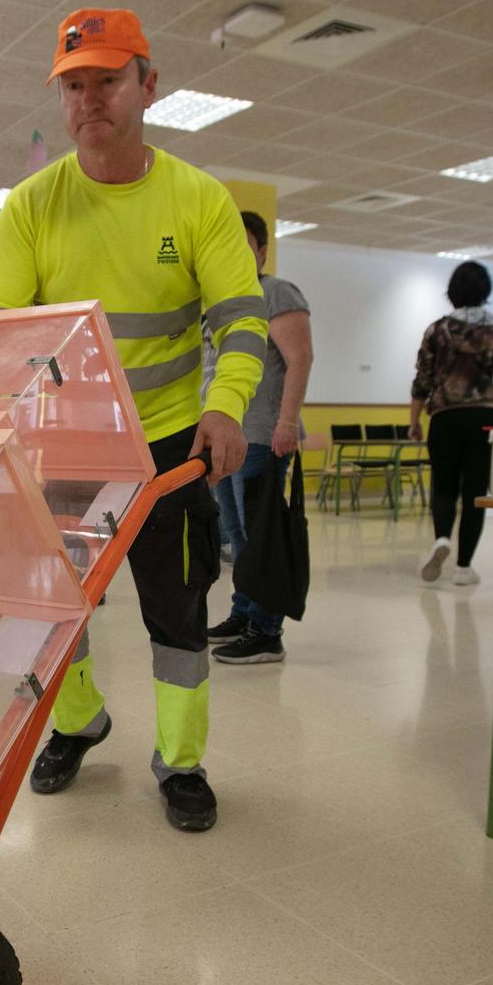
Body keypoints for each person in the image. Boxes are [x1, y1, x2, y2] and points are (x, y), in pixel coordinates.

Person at [0, 7, 267, 832]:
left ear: (149, 85)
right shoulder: (31, 207)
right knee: (51, 607)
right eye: (73, 85)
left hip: (171, 445)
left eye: (106, 80)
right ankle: (77, 721)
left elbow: (241, 320)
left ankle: (181, 761)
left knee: (176, 612)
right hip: (67, 446)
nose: (88, 99)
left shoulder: (198, 200)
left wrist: (226, 406)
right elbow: (5, 337)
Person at [207, 210, 313, 664]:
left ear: (262, 251)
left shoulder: (276, 292)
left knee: (259, 532)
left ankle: (267, 630)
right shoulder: (222, 300)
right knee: (235, 533)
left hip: (262, 435)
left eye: (245, 244)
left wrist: (286, 423)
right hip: (230, 436)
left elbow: (301, 358)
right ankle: (244, 611)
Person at [408, 261, 493, 589]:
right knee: (475, 493)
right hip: (484, 419)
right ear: (485, 291)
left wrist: (414, 420)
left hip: (445, 417)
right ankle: (464, 567)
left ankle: (442, 538)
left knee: (443, 487)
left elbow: (423, 377)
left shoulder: (437, 330)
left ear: (453, 291)